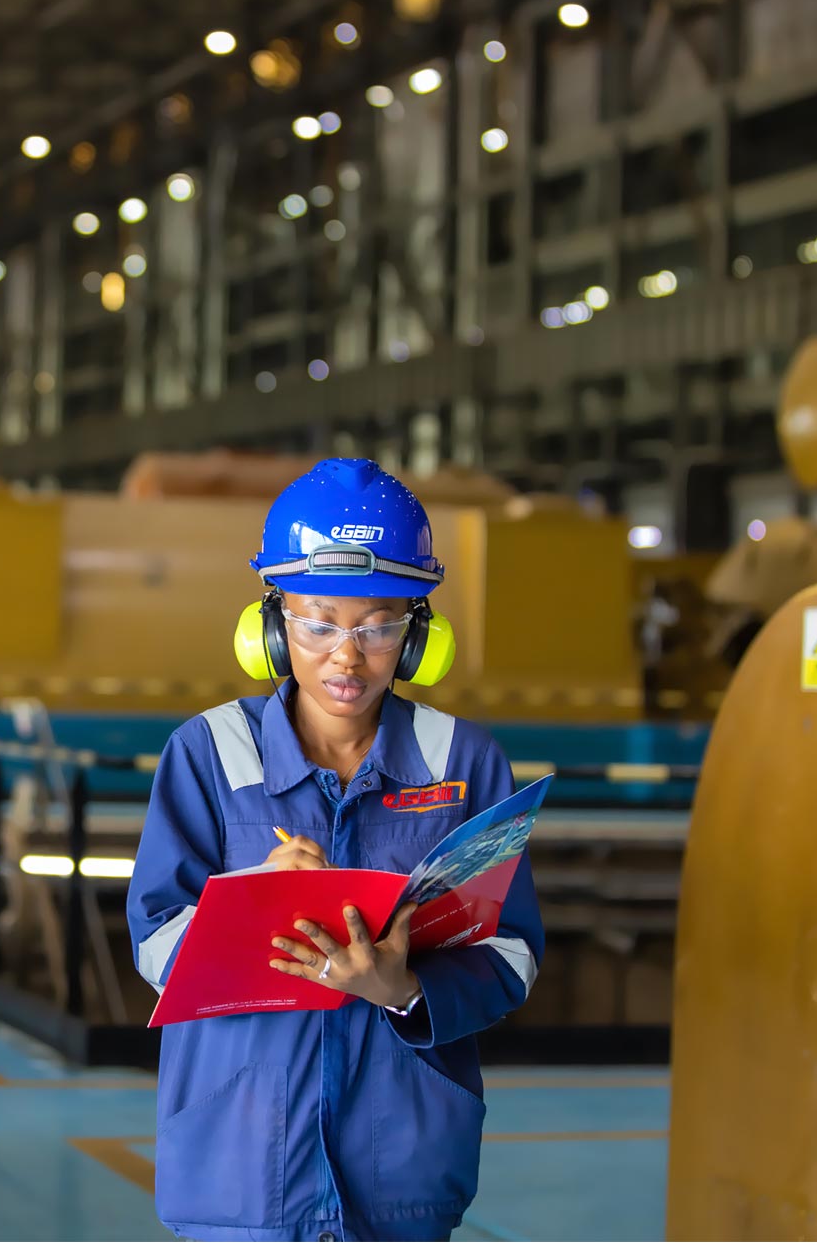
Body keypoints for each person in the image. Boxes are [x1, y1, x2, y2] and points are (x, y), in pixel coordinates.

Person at [127, 457, 544, 1243]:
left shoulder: (463, 760)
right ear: (272, 627)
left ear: (419, 634)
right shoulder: (209, 753)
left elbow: (513, 951)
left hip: (401, 1168)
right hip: (242, 1167)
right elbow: (154, 942)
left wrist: (403, 987)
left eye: (378, 625)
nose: (346, 657)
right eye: (319, 622)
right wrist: (251, 897)